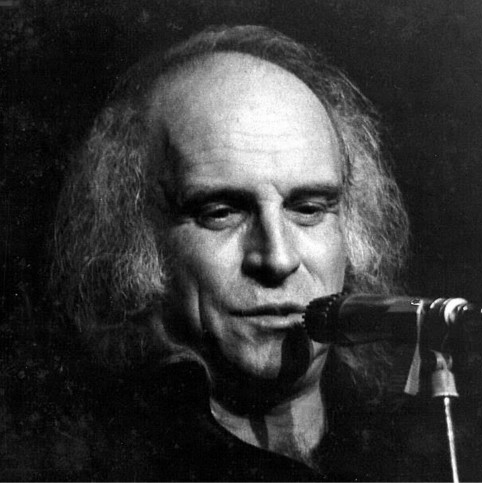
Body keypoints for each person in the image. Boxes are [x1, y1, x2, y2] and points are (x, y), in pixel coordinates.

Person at [51, 25, 439, 481]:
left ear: (354, 232)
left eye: (309, 209)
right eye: (221, 213)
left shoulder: (429, 451)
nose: (277, 259)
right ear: (135, 247)